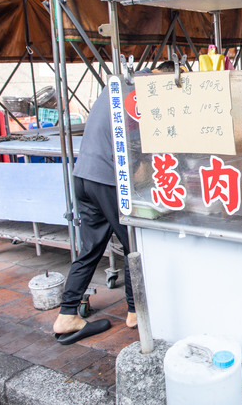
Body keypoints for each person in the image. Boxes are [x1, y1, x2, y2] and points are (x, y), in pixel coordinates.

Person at [52, 62, 181, 344]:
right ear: (163, 76)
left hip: (83, 175)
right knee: (134, 243)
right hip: (109, 180)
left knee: (91, 247)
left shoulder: (119, 83)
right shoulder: (144, 90)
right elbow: (139, 147)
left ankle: (67, 314)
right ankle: (135, 312)